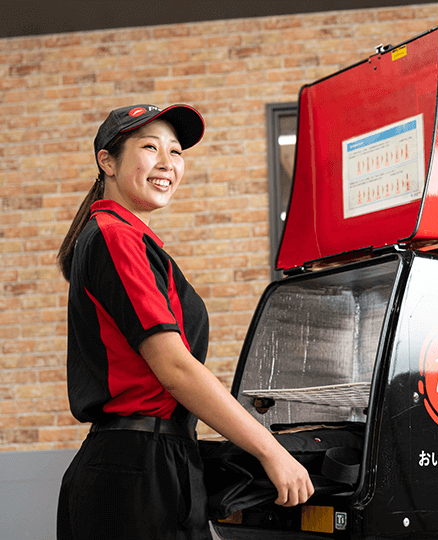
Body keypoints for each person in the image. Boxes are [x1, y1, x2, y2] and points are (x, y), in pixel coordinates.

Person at [56, 104, 314, 539]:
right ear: (107, 161)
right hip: (135, 472)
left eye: (176, 152)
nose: (167, 163)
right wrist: (272, 452)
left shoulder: (132, 239)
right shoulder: (114, 237)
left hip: (155, 461)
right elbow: (175, 369)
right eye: (150, 147)